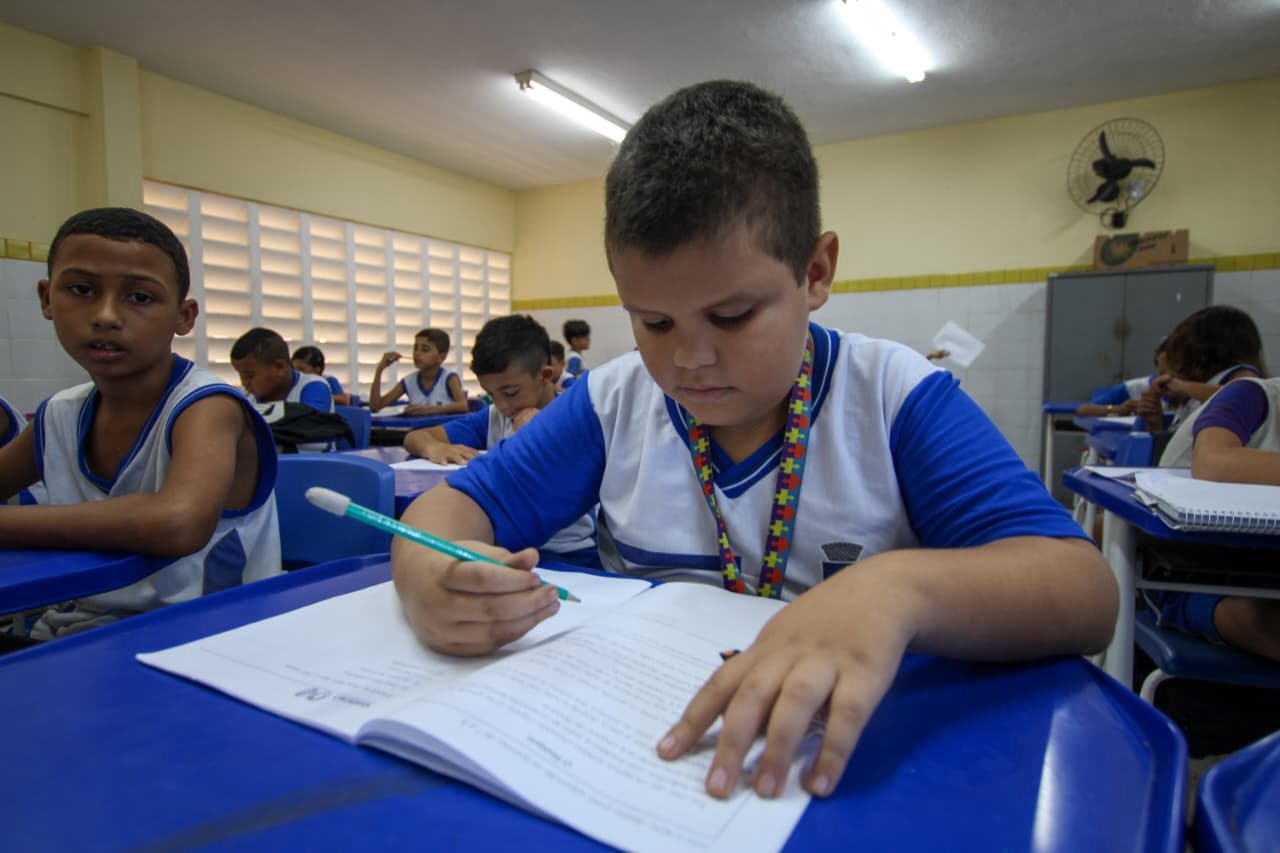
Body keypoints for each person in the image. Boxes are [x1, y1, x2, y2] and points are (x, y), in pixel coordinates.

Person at [390, 81, 1116, 801]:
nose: (689, 359)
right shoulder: (614, 403)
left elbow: (1084, 593)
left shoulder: (892, 400)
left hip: (845, 776)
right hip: (639, 761)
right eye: (654, 322)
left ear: (816, 271)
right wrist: (427, 574)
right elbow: (453, 508)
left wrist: (898, 589)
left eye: (732, 315)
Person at [0, 207, 281, 637]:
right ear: (46, 299)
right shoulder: (58, 414)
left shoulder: (207, 406)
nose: (107, 315)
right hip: (78, 634)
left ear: (184, 317)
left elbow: (178, 521)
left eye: (140, 297)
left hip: (205, 638)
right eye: (80, 289)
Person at [403, 315, 597, 566]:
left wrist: (540, 432)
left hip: (570, 553)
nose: (503, 405)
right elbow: (414, 436)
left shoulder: (576, 417)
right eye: (492, 394)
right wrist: (435, 447)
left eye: (511, 392)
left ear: (545, 375)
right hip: (501, 549)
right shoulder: (495, 417)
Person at [1143, 369, 1280, 662]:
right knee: (1266, 622)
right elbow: (1214, 463)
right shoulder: (1251, 394)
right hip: (1186, 576)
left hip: (1268, 570)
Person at [1149, 306, 1265, 464]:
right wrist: (1155, 422)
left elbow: (1242, 396)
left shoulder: (1244, 377)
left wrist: (1182, 386)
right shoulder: (1202, 385)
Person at [232, 327, 336, 452]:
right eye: (240, 375)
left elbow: (307, 430)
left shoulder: (314, 386)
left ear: (279, 367)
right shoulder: (246, 395)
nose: (244, 382)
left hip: (314, 467)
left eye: (249, 375)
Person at [369, 328, 469, 416]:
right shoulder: (409, 381)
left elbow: (463, 406)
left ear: (442, 357)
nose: (417, 353)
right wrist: (379, 370)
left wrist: (428, 410)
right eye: (415, 348)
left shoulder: (449, 378)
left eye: (425, 350)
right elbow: (375, 406)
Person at [1076, 340, 1168, 418]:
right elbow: (1083, 410)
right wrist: (1119, 409)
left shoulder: (1181, 394)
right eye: (1163, 373)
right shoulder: (1135, 387)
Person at [561, 319, 591, 386]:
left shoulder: (573, 355)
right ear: (575, 341)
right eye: (585, 337)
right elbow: (570, 380)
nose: (589, 339)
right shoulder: (574, 358)